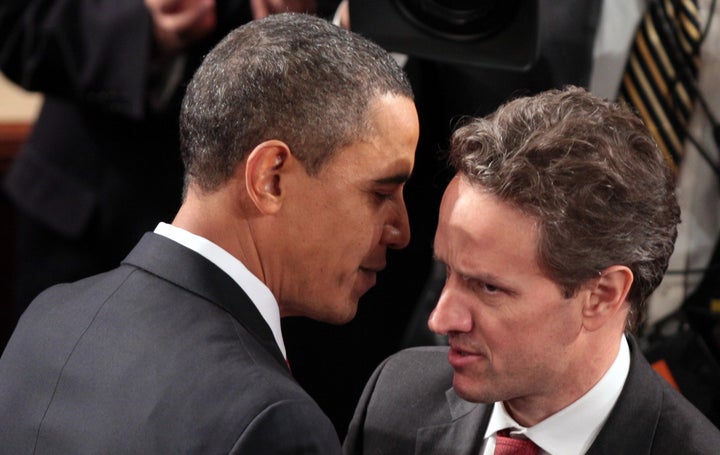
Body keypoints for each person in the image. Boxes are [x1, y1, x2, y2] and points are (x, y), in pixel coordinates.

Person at [0, 12, 418, 454]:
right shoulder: (273, 422)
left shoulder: (47, 320)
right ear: (270, 178)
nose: (402, 231)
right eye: (380, 192)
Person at [344, 86, 720, 455]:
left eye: (488, 288)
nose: (441, 320)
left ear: (602, 296)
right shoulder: (393, 400)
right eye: (448, 272)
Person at [0, 0, 324, 328]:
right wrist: (137, 25)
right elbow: (15, 21)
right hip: (88, 225)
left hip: (285, 232)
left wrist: (317, 22)